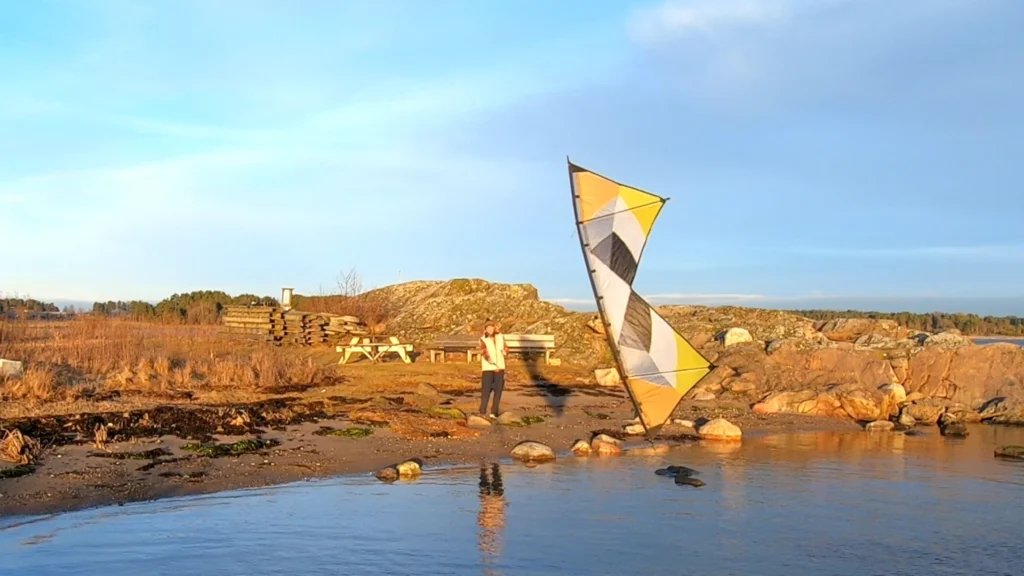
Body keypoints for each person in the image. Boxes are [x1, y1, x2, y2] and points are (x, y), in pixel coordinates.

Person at [479, 320, 508, 418]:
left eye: (491, 327)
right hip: (488, 367)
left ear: (494, 328)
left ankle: (494, 412)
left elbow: (506, 347)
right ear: (486, 329)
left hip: (500, 366)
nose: (490, 329)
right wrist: (488, 359)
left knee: (498, 390)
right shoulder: (483, 339)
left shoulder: (500, 337)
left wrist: (505, 352)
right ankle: (482, 411)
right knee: (486, 390)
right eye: (488, 327)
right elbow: (483, 351)